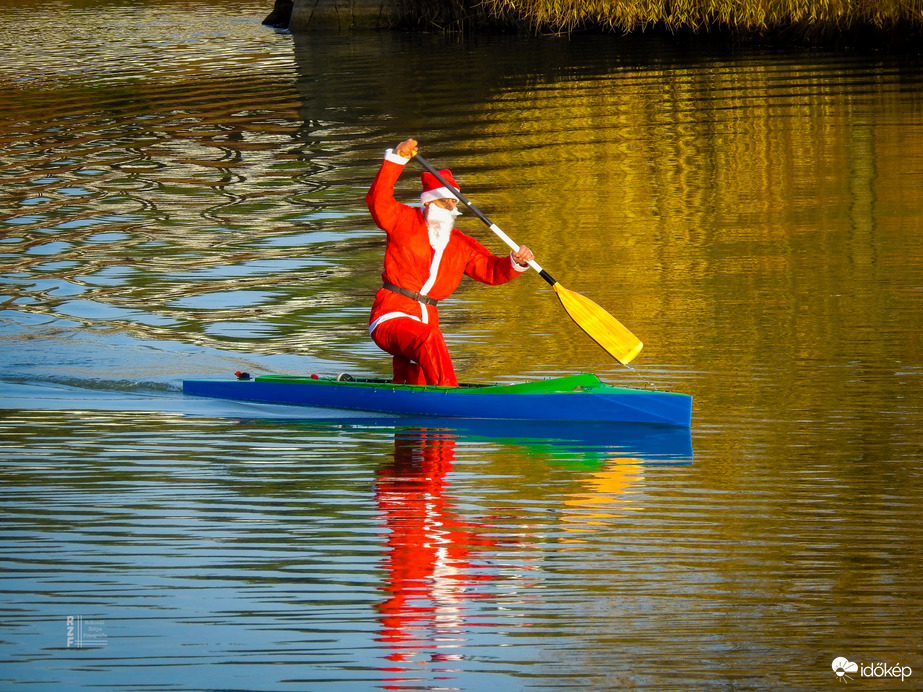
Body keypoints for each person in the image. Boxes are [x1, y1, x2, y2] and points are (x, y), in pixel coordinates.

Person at [366, 138, 534, 387]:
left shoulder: (462, 244)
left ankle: (402, 397)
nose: (449, 206)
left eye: (453, 201)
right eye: (442, 200)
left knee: (414, 379)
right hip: (390, 315)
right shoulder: (402, 220)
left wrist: (516, 262)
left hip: (426, 320)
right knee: (428, 338)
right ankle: (449, 394)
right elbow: (378, 200)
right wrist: (397, 160)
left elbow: (492, 271)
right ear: (426, 202)